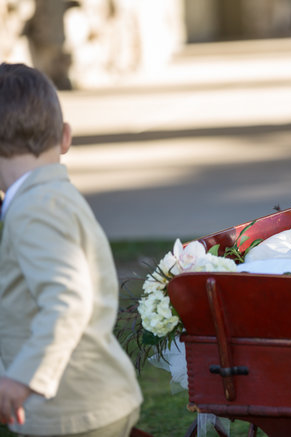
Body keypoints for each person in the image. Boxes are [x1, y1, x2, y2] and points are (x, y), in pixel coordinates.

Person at [0, 63, 142, 435]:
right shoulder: (55, 195)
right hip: (96, 398)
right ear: (65, 137)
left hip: (69, 412)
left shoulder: (33, 209)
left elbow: (67, 299)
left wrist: (21, 380)